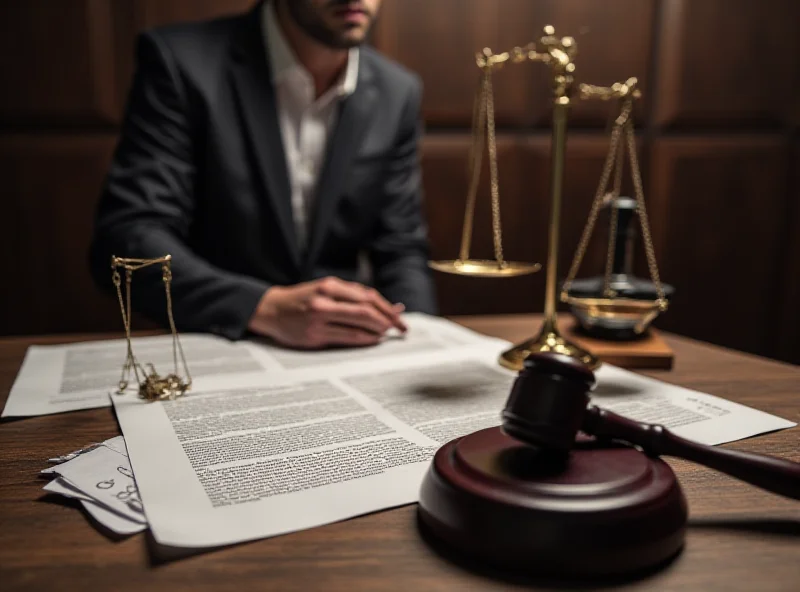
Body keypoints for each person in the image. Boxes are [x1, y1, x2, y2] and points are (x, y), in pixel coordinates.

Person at [90, 0, 437, 349]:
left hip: (346, 354)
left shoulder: (398, 90)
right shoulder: (180, 62)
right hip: (218, 343)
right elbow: (128, 236)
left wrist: (420, 343)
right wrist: (263, 307)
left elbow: (401, 248)